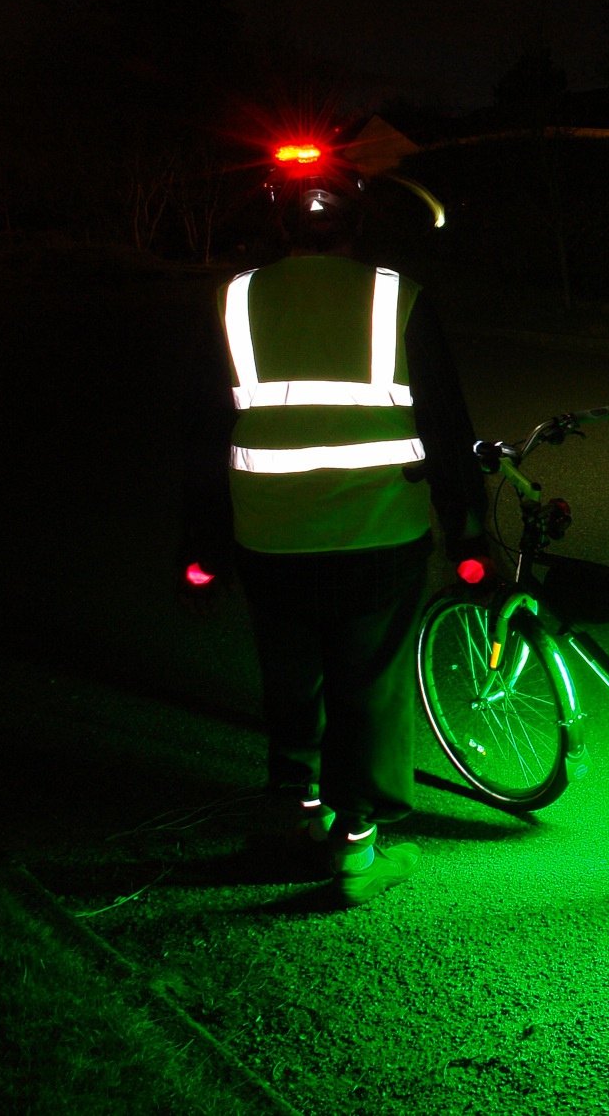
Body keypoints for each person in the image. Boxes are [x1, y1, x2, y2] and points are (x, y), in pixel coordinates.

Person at [177, 148, 487, 905]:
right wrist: (470, 535)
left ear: (279, 221)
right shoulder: (398, 297)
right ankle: (356, 846)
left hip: (271, 538)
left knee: (291, 677)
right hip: (380, 533)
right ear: (357, 221)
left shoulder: (235, 299)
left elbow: (201, 432)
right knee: (369, 687)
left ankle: (296, 810)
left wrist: (200, 554)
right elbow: (445, 426)